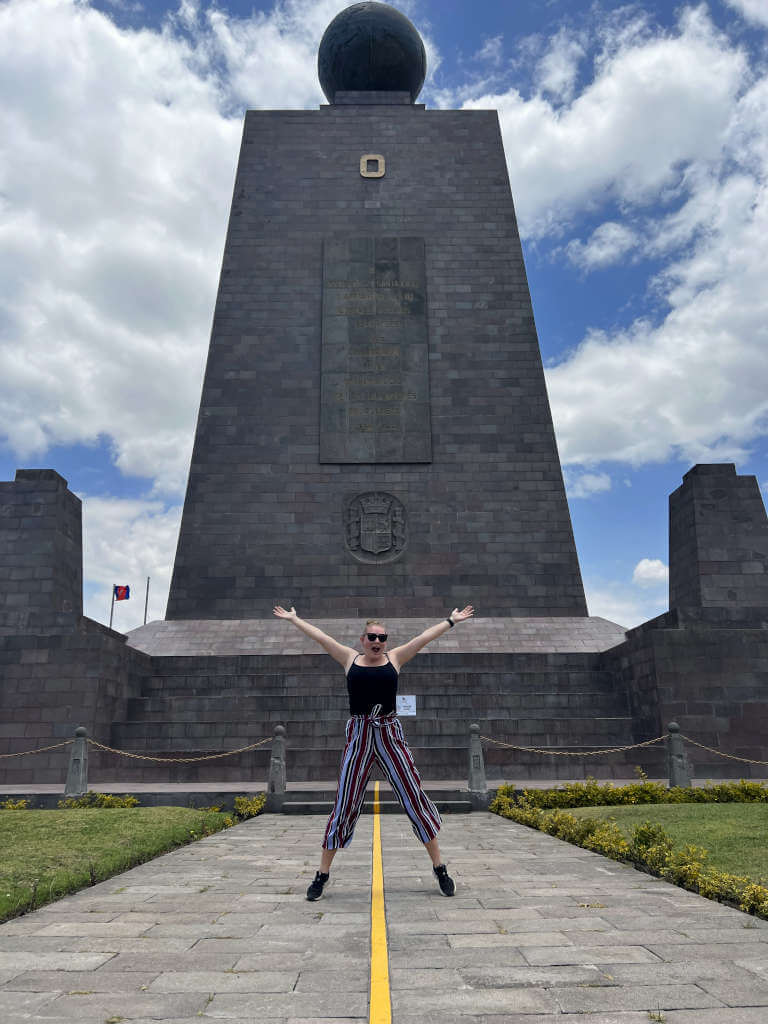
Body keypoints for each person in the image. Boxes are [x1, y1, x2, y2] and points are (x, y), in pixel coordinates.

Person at [272, 604, 474, 900]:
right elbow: (321, 637)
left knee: (414, 796)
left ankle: (439, 867)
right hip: (359, 735)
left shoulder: (395, 659)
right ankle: (322, 874)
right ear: (362, 639)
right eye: (372, 637)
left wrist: (451, 621)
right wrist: (294, 619)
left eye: (382, 637)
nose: (377, 641)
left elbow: (424, 638)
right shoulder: (349, 659)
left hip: (390, 733)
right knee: (344, 802)